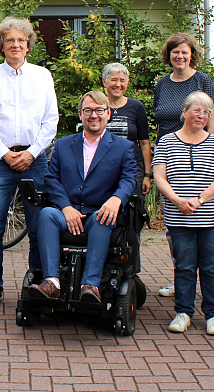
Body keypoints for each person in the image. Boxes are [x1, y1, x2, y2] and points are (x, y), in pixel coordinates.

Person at [0, 16, 58, 310]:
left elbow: (51, 121)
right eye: (10, 40)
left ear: (28, 45)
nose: (16, 45)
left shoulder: (42, 76)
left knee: (38, 227)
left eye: (21, 40)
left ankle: (36, 283)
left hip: (35, 160)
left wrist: (32, 152)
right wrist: (3, 153)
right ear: (1, 45)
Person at [30, 91, 136, 303]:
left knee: (102, 217)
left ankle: (91, 285)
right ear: (80, 114)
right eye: (88, 111)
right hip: (66, 213)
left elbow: (129, 179)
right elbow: (51, 179)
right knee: (46, 214)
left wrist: (117, 199)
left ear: (108, 115)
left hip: (99, 212)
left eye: (99, 111)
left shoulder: (123, 147)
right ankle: (52, 282)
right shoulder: (63, 145)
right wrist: (65, 207)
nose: (93, 115)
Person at [152, 91, 214, 335]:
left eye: (206, 112)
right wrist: (178, 201)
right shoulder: (166, 142)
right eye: (197, 110)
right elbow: (159, 177)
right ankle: (183, 312)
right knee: (184, 267)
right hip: (179, 217)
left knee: (211, 268)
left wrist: (199, 200)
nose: (201, 115)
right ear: (184, 112)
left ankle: (213, 315)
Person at [152, 32, 214, 298]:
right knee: (174, 224)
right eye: (175, 52)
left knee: (203, 218)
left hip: (200, 155)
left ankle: (205, 281)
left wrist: (210, 149)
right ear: (168, 55)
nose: (180, 56)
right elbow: (160, 121)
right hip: (169, 156)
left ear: (193, 54)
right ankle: (181, 276)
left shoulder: (202, 80)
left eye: (185, 52)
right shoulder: (161, 84)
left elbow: (211, 117)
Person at [102, 63, 151, 272]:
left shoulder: (136, 107)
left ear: (128, 83)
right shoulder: (98, 104)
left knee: (131, 221)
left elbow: (145, 142)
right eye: (113, 79)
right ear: (104, 82)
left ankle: (131, 271)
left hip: (133, 169)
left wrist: (147, 174)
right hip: (103, 170)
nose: (118, 84)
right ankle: (103, 267)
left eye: (122, 80)